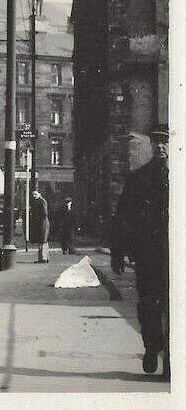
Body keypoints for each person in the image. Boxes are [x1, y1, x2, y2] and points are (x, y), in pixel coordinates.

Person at [111, 124, 169, 378]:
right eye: (157, 142)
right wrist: (117, 251)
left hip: (177, 255)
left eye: (166, 142)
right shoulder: (139, 178)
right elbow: (123, 216)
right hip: (149, 254)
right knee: (148, 305)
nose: (161, 147)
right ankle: (151, 345)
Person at [32, 190, 50, 263]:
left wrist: (38, 218)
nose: (34, 196)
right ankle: (44, 257)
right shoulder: (39, 201)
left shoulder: (42, 201)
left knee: (42, 240)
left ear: (39, 194)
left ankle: (43, 258)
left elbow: (45, 213)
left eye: (35, 194)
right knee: (43, 240)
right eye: (33, 194)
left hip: (43, 223)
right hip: (42, 222)